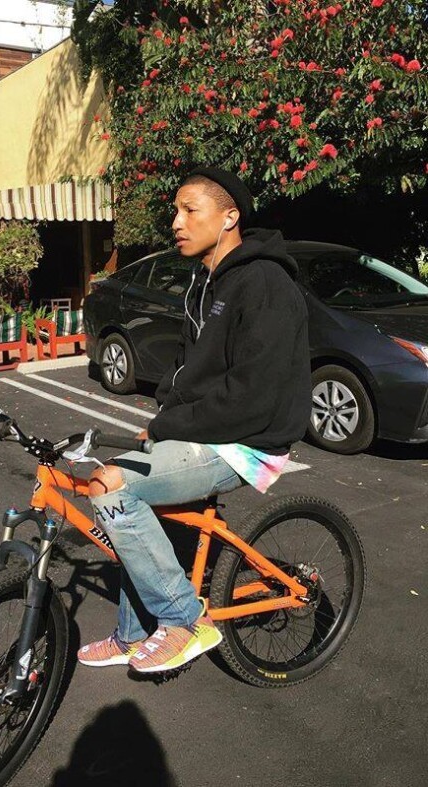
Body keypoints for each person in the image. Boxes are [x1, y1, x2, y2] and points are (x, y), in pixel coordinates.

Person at [78, 166, 312, 674]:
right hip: (210, 430)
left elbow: (254, 395)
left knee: (110, 488)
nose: (176, 223)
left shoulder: (265, 283)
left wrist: (168, 429)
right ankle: (131, 636)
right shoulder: (203, 282)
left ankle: (185, 621)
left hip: (248, 441)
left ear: (229, 217)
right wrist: (162, 420)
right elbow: (188, 371)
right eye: (175, 211)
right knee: (125, 500)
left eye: (190, 210)